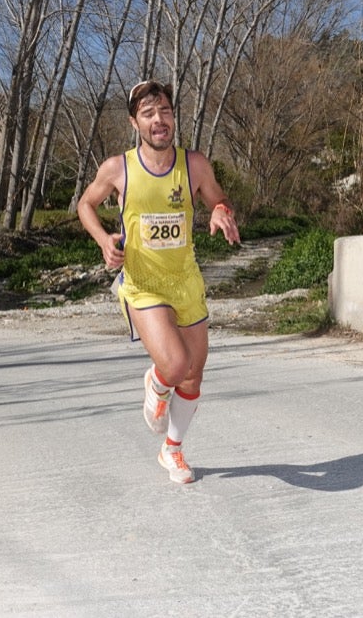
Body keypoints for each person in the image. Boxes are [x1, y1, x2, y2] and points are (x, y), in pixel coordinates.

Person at [77, 79, 241, 484]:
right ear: (135, 122)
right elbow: (85, 204)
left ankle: (172, 450)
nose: (159, 120)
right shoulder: (118, 169)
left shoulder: (195, 165)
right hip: (142, 283)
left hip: (185, 281)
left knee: (194, 374)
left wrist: (221, 212)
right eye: (149, 114)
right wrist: (103, 240)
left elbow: (219, 199)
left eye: (165, 111)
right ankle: (155, 379)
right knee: (175, 363)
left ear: (173, 116)